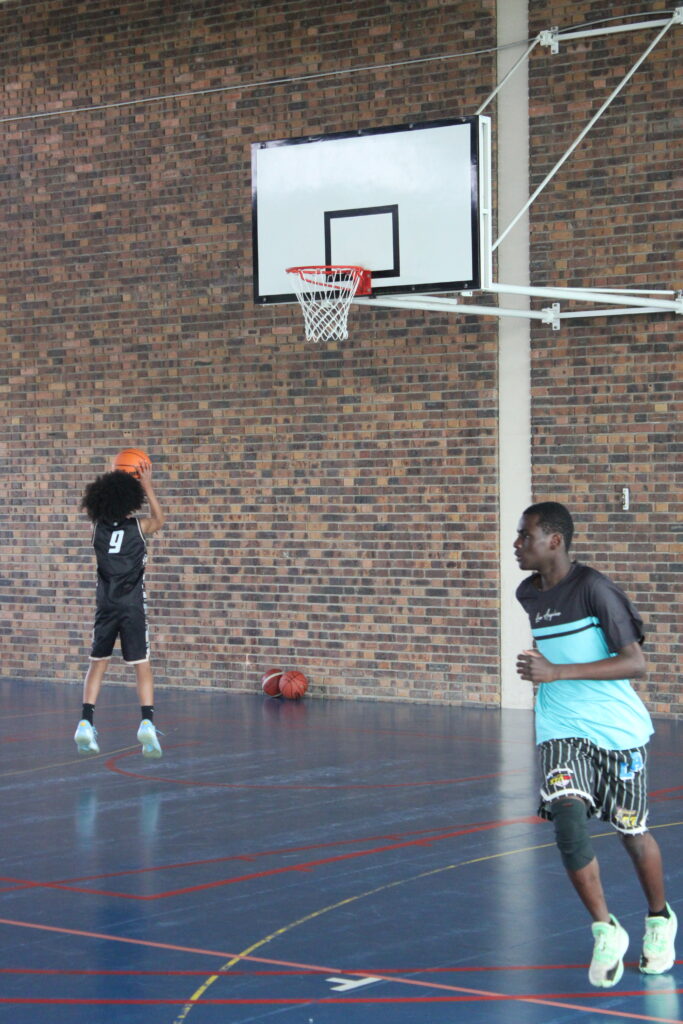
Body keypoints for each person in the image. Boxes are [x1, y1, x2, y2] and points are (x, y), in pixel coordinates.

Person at [514, 501, 676, 989]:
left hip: (616, 731)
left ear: (554, 541)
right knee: (567, 819)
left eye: (525, 536)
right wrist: (543, 667)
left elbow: (635, 663)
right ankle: (606, 930)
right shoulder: (528, 593)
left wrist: (555, 670)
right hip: (560, 726)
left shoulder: (595, 589)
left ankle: (659, 919)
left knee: (632, 832)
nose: (517, 545)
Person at [74, 461, 165, 758]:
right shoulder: (138, 527)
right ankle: (147, 723)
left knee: (97, 663)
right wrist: (147, 486)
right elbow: (159, 519)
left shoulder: (96, 529)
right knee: (142, 665)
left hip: (106, 605)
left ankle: (86, 721)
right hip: (132, 605)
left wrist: (110, 474)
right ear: (130, 500)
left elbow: (101, 509)